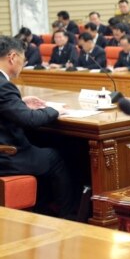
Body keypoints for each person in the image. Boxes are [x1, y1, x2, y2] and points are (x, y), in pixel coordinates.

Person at [0, 36, 74, 218]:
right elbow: (30, 120)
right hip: (7, 157)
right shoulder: (4, 86)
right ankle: (69, 218)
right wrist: (54, 110)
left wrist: (19, 103)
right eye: (23, 60)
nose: (22, 65)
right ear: (12, 57)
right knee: (58, 156)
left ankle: (44, 209)